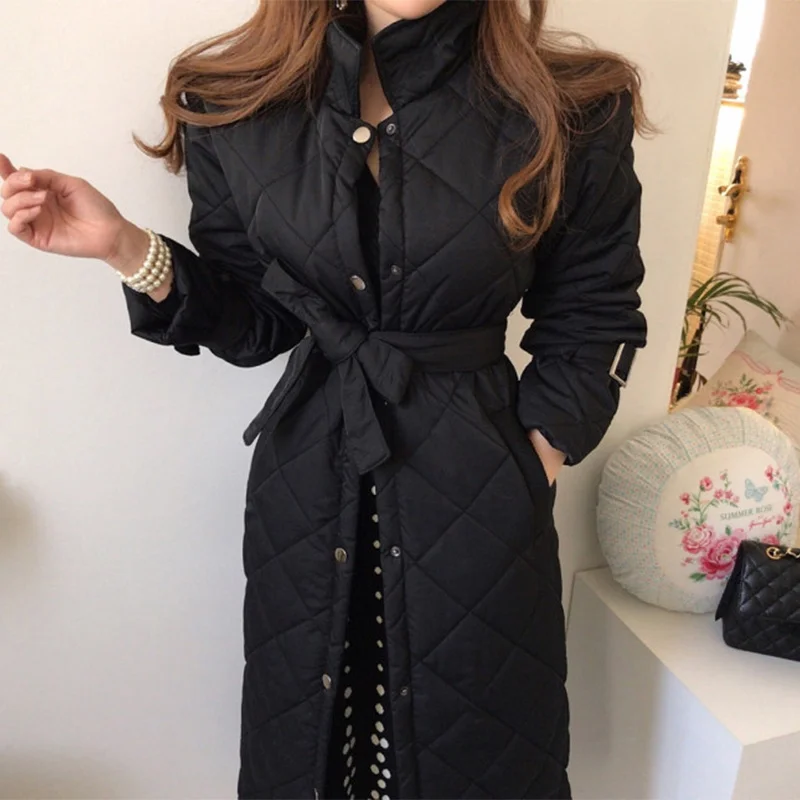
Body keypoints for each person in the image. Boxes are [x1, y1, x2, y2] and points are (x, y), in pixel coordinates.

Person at [0, 0, 650, 797]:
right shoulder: (232, 101)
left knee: (477, 753)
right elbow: (259, 319)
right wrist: (125, 248)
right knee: (309, 750)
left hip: (478, 499)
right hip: (307, 494)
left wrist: (532, 461)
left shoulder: (573, 105)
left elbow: (595, 311)